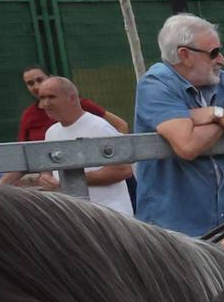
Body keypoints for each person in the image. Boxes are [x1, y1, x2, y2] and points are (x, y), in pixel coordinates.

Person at [135, 12, 224, 236]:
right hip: (175, 235)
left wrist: (216, 113)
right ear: (185, 55)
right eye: (214, 53)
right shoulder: (156, 83)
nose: (222, 60)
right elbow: (188, 144)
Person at [11, 72, 134, 218]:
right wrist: (45, 177)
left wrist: (69, 181)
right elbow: (47, 170)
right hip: (75, 217)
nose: (45, 104)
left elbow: (123, 170)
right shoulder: (51, 132)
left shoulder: (99, 127)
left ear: (72, 98)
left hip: (110, 217)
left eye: (51, 97)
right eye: (42, 98)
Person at [16, 67, 125, 140]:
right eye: (30, 83)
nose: (36, 86)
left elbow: (121, 125)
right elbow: (23, 150)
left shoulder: (95, 122)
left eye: (40, 80)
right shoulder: (31, 116)